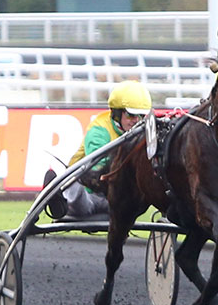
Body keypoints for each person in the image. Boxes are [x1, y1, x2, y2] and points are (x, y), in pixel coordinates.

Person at [44, 81, 151, 219]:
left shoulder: (143, 132)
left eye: (141, 116)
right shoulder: (99, 131)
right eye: (131, 115)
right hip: (87, 192)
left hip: (113, 199)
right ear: (117, 113)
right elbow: (99, 168)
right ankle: (58, 198)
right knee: (81, 204)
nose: (136, 121)